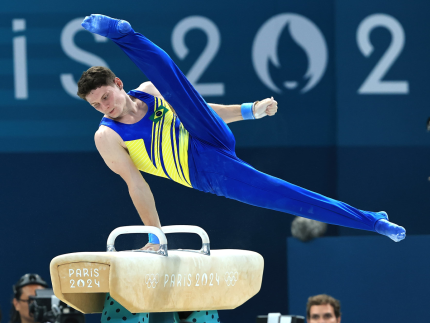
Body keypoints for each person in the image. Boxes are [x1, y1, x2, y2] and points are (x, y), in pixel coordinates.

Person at [77, 14, 406, 251]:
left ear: (118, 84)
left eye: (105, 96)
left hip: (208, 134)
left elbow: (202, 111)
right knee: (289, 197)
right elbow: (137, 184)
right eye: (96, 105)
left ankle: (123, 34)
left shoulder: (148, 91)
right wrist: (155, 235)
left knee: (170, 81)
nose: (104, 107)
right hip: (209, 171)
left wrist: (251, 110)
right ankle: (373, 221)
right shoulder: (108, 137)